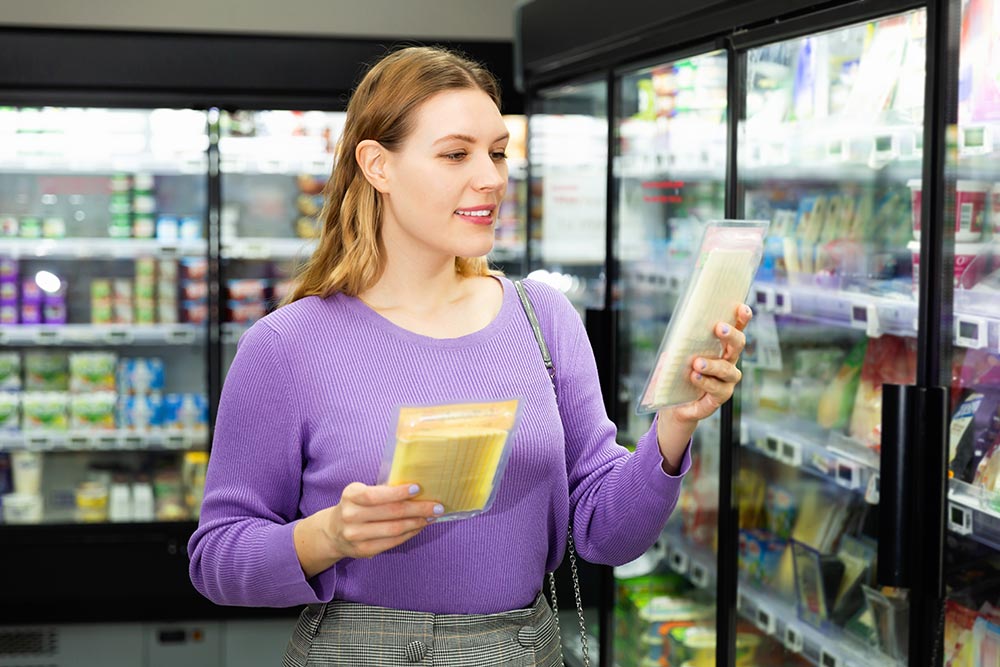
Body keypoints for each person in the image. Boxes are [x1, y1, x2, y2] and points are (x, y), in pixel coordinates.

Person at [187, 45, 751, 666]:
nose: (491, 176)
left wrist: (675, 422)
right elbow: (217, 560)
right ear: (377, 165)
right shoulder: (287, 346)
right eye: (456, 154)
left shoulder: (544, 319)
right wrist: (326, 535)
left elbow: (607, 534)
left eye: (498, 151)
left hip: (522, 648)